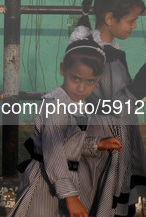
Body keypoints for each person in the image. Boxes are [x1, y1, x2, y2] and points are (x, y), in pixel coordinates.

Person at [74, 0, 146, 216]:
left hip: (105, 135)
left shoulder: (95, 49)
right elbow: (115, 105)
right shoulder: (104, 57)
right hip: (108, 138)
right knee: (110, 203)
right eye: (131, 20)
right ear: (110, 19)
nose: (135, 25)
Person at [8, 37, 122, 217]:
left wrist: (95, 144)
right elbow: (54, 153)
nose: (81, 87)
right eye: (75, 78)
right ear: (63, 69)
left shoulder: (78, 105)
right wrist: (70, 197)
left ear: (98, 80)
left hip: (68, 180)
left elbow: (69, 143)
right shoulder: (55, 105)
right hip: (45, 182)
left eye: (90, 81)